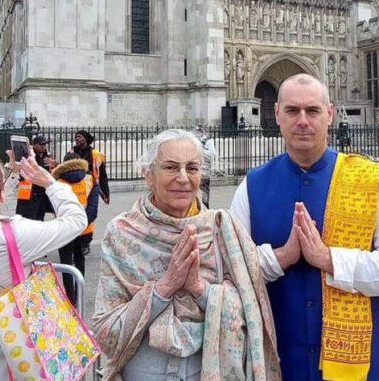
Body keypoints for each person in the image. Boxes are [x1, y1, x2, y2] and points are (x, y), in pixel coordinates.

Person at [230, 74, 379, 381]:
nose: (302, 120)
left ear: (330, 114)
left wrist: (329, 259)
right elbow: (230, 272)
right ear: (277, 114)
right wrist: (281, 257)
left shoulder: (371, 183)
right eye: (292, 111)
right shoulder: (251, 187)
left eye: (313, 110)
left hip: (368, 368)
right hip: (280, 368)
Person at [92, 129, 280, 381]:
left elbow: (251, 314)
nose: (183, 178)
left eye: (192, 168)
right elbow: (105, 329)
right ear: (148, 175)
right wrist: (164, 287)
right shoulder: (122, 233)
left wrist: (200, 289)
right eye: (170, 167)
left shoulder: (223, 229)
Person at [0, 152, 87, 380]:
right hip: (3, 361)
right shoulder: (14, 235)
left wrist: (11, 174)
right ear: (0, 195)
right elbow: (76, 220)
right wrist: (49, 182)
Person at [52, 152, 99, 306]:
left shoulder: (57, 182)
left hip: (63, 228)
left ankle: (70, 298)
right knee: (80, 259)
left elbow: (51, 205)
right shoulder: (89, 178)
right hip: (83, 228)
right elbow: (93, 207)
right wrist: (83, 223)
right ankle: (79, 292)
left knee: (66, 262)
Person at [72, 130, 110, 255]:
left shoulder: (95, 154)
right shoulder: (72, 153)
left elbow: (102, 175)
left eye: (80, 136)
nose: (77, 139)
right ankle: (76, 242)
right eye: (76, 137)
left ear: (86, 139)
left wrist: (105, 193)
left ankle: (86, 243)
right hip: (75, 188)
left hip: (90, 188)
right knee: (75, 215)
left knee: (90, 215)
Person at [15, 135, 57, 220]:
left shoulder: (46, 158)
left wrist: (55, 166)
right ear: (33, 145)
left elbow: (50, 176)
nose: (43, 146)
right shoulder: (27, 157)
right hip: (28, 194)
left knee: (39, 219)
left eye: (45, 144)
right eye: (41, 144)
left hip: (41, 194)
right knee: (26, 219)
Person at [192, 124, 216, 208]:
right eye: (197, 131)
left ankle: (205, 208)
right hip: (196, 170)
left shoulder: (209, 141)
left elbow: (212, 153)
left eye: (199, 131)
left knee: (204, 192)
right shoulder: (196, 141)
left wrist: (202, 150)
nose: (197, 133)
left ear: (202, 132)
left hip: (205, 172)